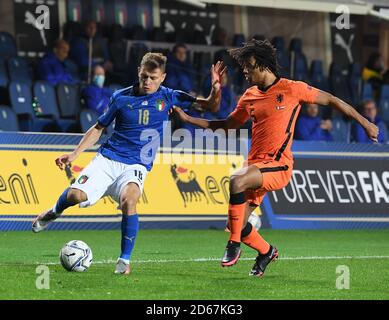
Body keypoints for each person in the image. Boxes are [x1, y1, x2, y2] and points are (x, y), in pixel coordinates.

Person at [173, 39, 379, 277]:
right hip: (255, 166)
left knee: (236, 181)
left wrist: (365, 123)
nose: (245, 71)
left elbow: (332, 100)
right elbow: (228, 125)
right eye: (243, 67)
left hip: (278, 165)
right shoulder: (249, 96)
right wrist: (189, 120)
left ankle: (234, 245)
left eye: (249, 66)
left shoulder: (293, 88)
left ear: (264, 65)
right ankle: (266, 252)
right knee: (235, 223)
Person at [31, 53, 226, 275]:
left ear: (163, 77)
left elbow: (210, 106)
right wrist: (74, 155)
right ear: (138, 72)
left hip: (137, 165)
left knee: (130, 199)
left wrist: (216, 88)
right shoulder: (120, 97)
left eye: (153, 77)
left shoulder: (170, 97)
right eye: (144, 76)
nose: (147, 82)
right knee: (76, 196)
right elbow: (98, 127)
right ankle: (54, 212)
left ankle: (124, 260)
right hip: (108, 159)